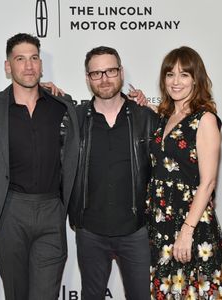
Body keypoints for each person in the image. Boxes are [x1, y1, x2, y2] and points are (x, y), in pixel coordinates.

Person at [0, 33, 79, 300]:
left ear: (41, 64)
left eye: (34, 58)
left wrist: (140, 103)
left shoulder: (63, 106)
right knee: (16, 294)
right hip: (10, 210)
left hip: (52, 210)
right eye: (20, 59)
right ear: (7, 66)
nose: (28, 66)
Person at [68, 46, 158, 300]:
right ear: (87, 78)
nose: (104, 78)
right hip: (90, 231)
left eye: (110, 70)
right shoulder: (75, 120)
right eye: (96, 73)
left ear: (121, 72)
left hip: (135, 230)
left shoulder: (144, 117)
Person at [146, 46, 222, 299]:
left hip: (191, 222)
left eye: (184, 74)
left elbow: (208, 182)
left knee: (194, 292)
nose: (175, 81)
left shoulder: (205, 119)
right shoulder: (164, 116)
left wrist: (187, 230)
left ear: (196, 78)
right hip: (162, 223)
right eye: (170, 74)